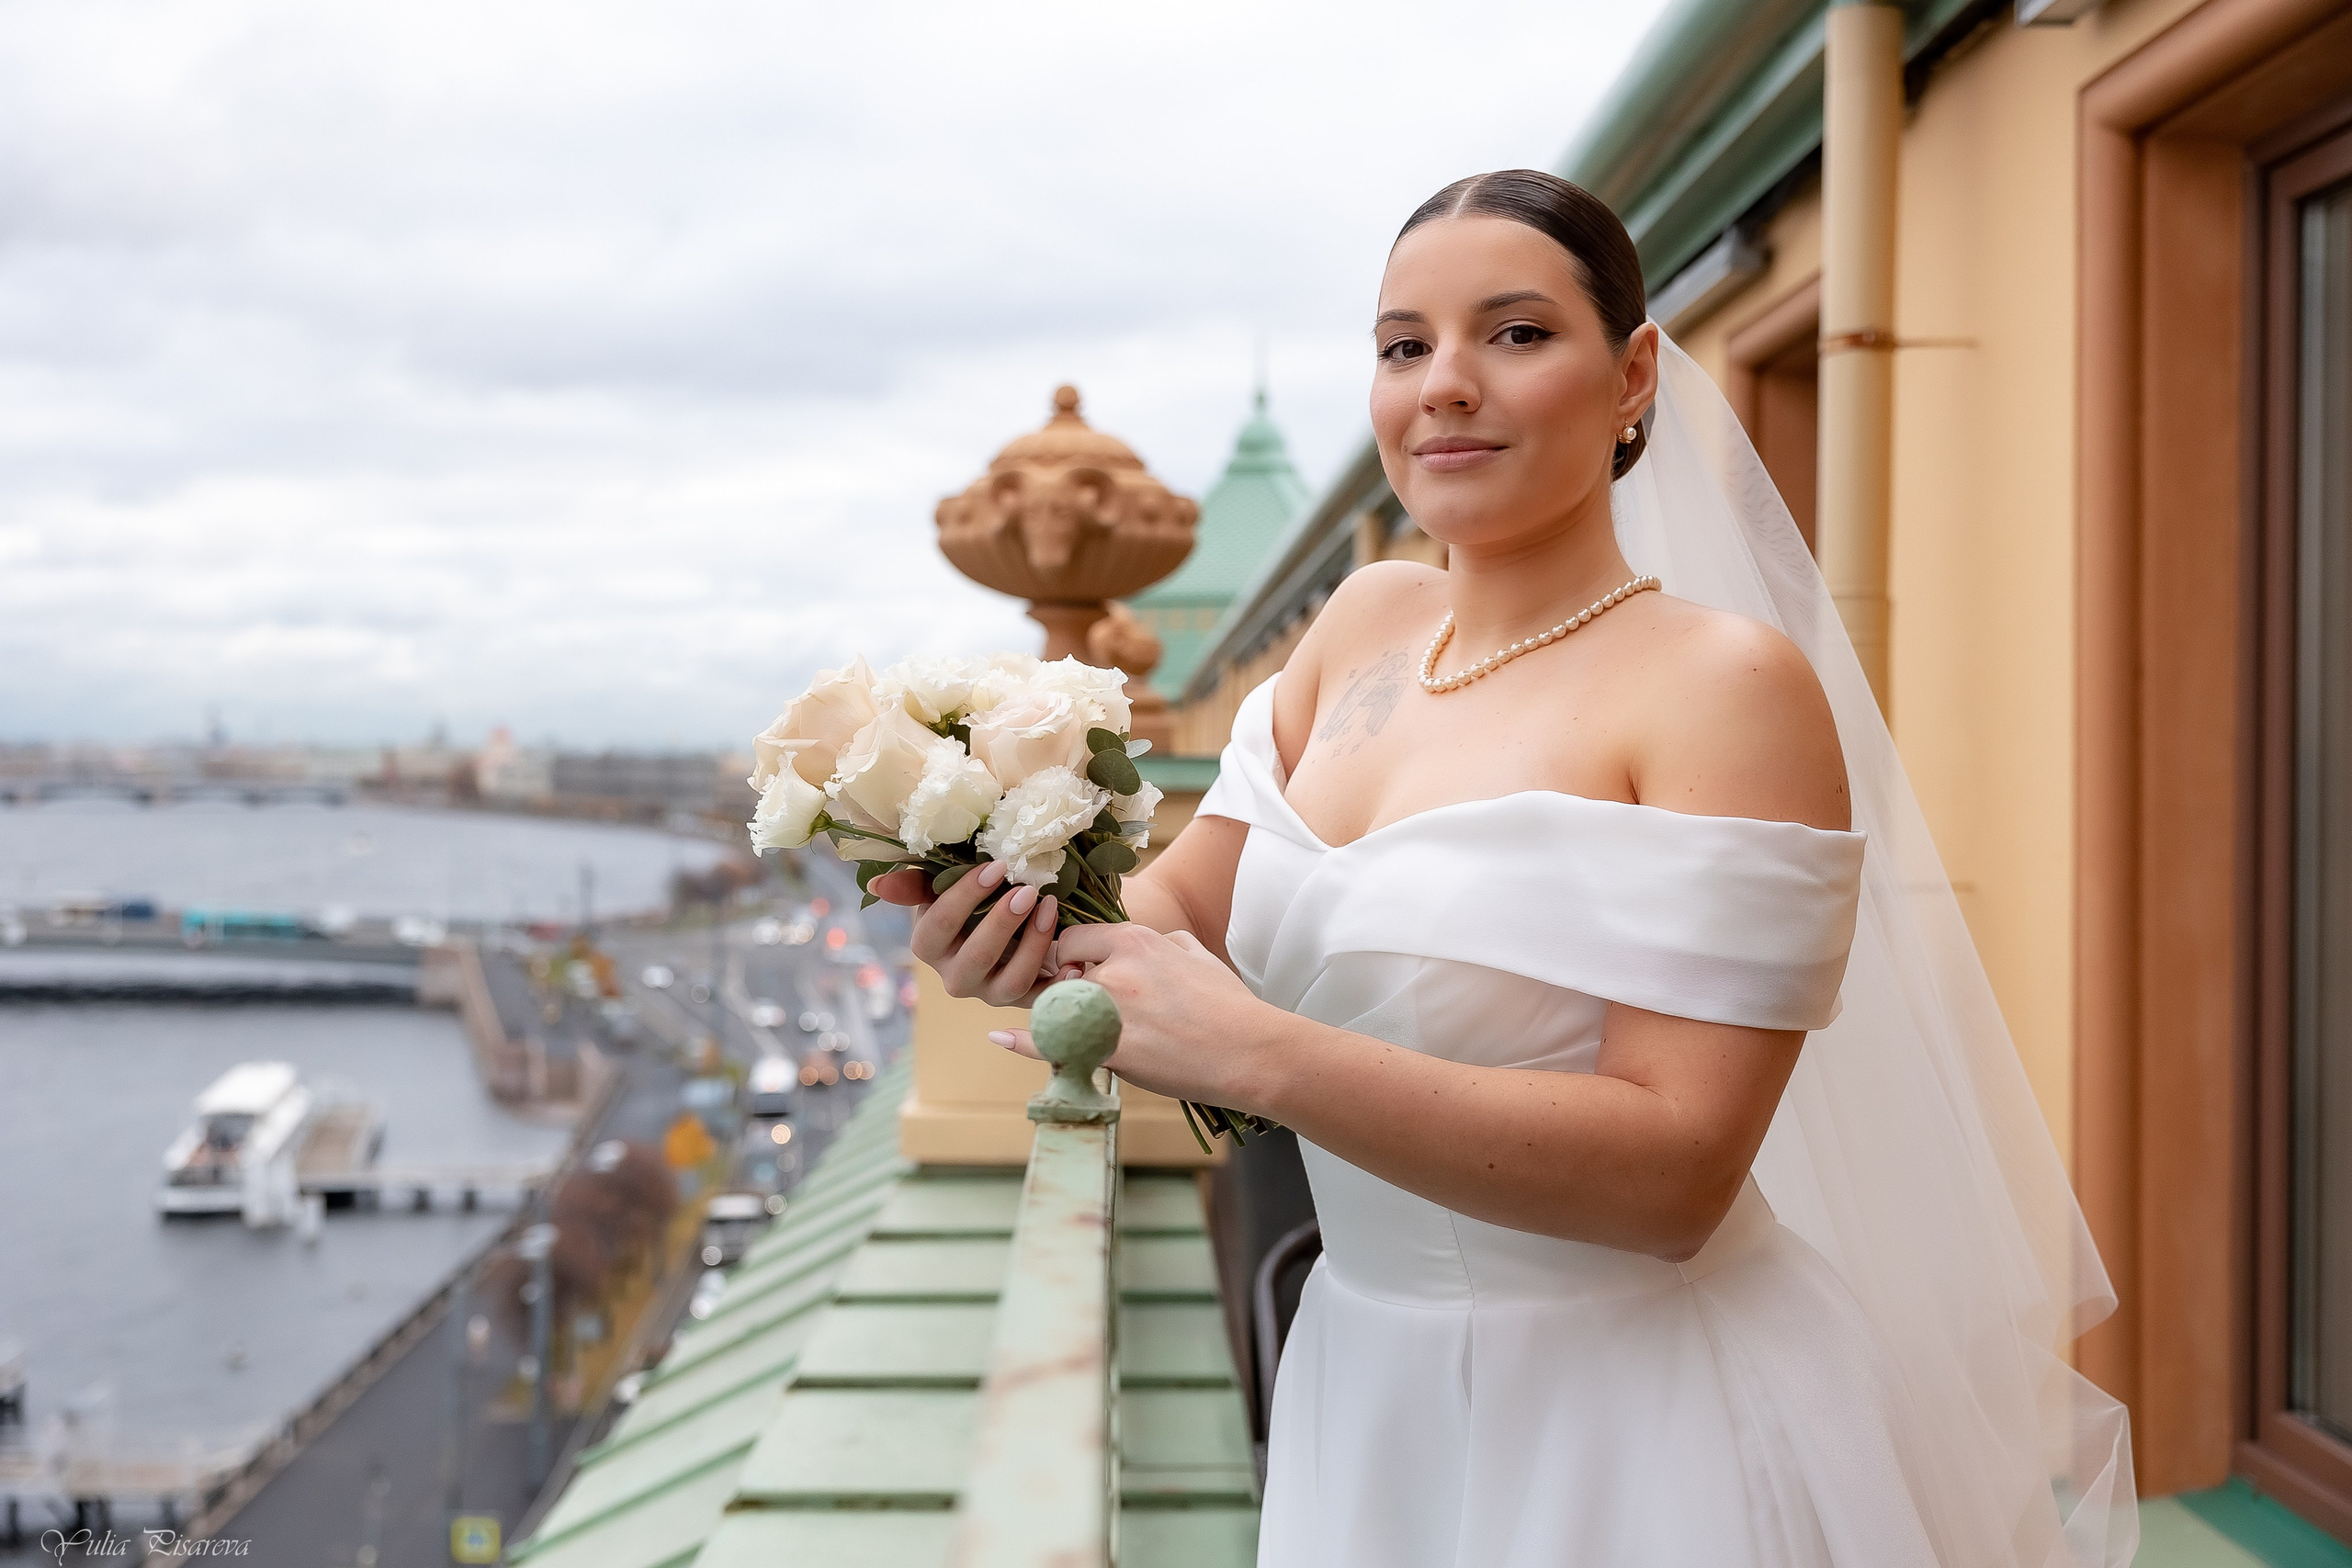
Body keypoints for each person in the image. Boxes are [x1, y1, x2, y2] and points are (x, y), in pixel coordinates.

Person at [876, 169, 2134, 1567]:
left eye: (1517, 334)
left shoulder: (1725, 688)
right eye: (1404, 345)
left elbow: (1677, 1177)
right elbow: (1187, 908)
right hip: (1365, 1384)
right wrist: (1021, 920)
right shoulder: (1360, 623)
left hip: (1638, 1421)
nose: (1446, 386)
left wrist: (1256, 1057)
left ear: (1633, 375)